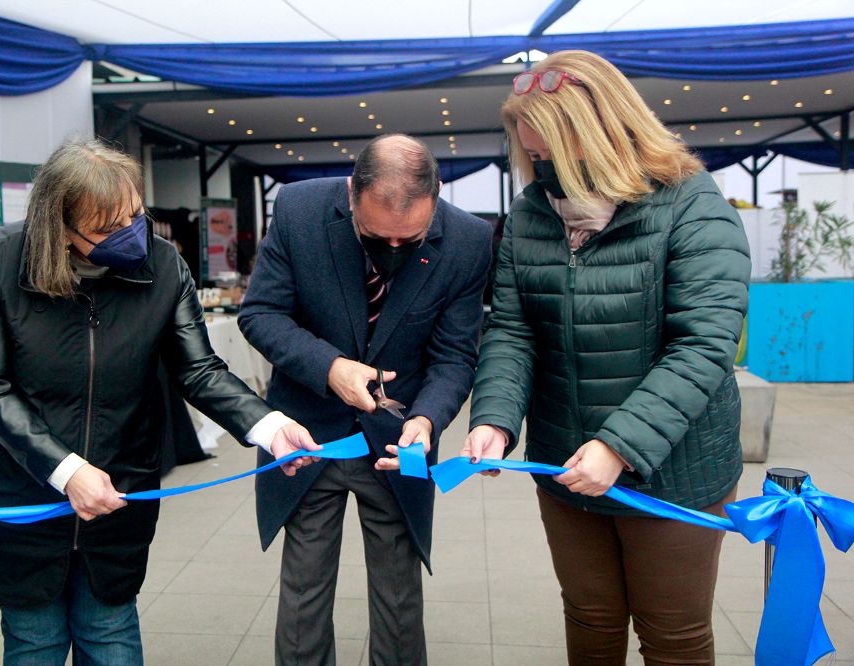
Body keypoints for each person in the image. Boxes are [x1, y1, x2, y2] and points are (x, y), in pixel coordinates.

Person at [0, 137, 319, 665]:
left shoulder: (164, 265)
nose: (129, 236)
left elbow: (199, 369)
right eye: (106, 229)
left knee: (111, 630)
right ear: (60, 227)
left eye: (134, 217)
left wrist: (268, 426)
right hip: (20, 488)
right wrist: (67, 470)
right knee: (35, 637)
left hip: (118, 484)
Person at [464, 50, 751, 665]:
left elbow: (702, 346)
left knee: (672, 636)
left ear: (596, 135)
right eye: (533, 158)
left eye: (553, 157)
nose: (544, 174)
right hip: (565, 466)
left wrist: (618, 447)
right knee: (590, 618)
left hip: (673, 473)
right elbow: (513, 330)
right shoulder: (531, 214)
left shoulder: (690, 204)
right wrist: (493, 418)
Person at [238, 134, 492, 665]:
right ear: (352, 193)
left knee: (400, 595)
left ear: (436, 198)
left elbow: (453, 357)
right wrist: (330, 368)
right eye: (378, 237)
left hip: (400, 443)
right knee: (303, 593)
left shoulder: (468, 240)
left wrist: (426, 419)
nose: (394, 251)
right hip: (309, 436)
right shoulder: (300, 209)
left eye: (412, 239)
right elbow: (261, 314)